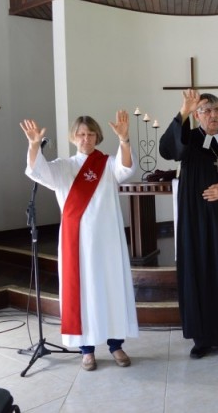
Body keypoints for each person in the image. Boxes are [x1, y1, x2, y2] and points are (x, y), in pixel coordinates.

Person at [20, 111, 139, 371]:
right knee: (83, 292)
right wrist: (32, 145)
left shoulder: (107, 163)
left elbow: (127, 169)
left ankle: (116, 345)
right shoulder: (64, 166)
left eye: (91, 134)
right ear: (74, 137)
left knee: (110, 289)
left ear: (98, 136)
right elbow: (37, 170)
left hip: (107, 241)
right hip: (78, 244)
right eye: (81, 134)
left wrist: (125, 139)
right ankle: (86, 350)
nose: (86, 138)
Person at [158, 90, 218, 359]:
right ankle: (203, 339)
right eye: (206, 110)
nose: (212, 115)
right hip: (197, 224)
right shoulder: (188, 140)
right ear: (197, 114)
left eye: (216, 110)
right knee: (200, 273)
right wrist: (182, 113)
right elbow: (168, 150)